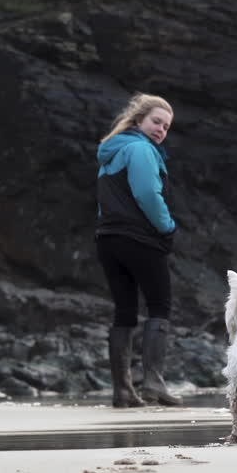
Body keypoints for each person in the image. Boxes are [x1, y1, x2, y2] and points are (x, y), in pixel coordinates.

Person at [94, 92, 181, 407]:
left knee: (125, 310)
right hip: (140, 239)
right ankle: (153, 383)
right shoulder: (141, 150)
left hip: (107, 239)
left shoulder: (110, 154)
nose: (161, 129)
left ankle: (122, 390)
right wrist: (167, 226)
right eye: (156, 121)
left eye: (166, 126)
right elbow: (146, 193)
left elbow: (109, 200)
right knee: (159, 305)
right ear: (138, 120)